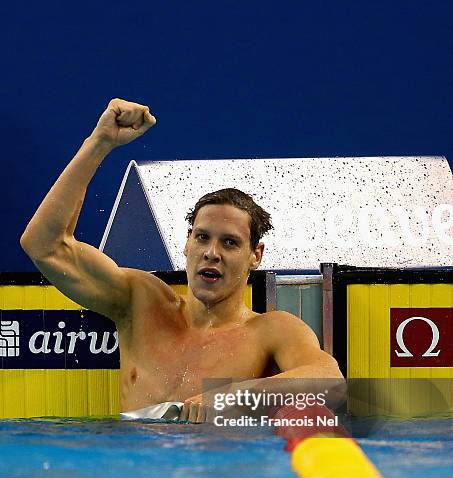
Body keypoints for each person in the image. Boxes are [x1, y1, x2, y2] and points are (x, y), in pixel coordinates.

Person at [21, 98, 344, 423]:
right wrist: (99, 143)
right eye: (202, 237)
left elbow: (330, 383)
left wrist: (233, 396)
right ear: (187, 244)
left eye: (230, 243)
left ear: (254, 256)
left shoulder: (271, 330)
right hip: (131, 467)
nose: (211, 252)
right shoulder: (141, 303)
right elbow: (45, 246)